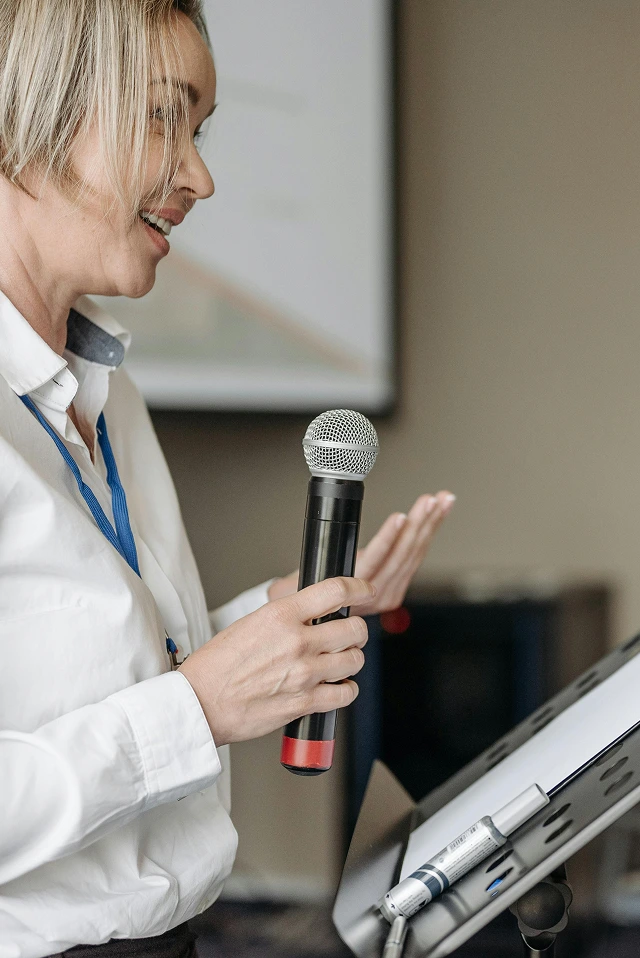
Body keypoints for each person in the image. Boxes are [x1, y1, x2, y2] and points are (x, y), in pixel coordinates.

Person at [0, 2, 453, 955]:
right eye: (165, 116)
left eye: (198, 132)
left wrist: (272, 625)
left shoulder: (110, 395)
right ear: (31, 107)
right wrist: (197, 707)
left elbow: (99, 673)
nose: (200, 177)